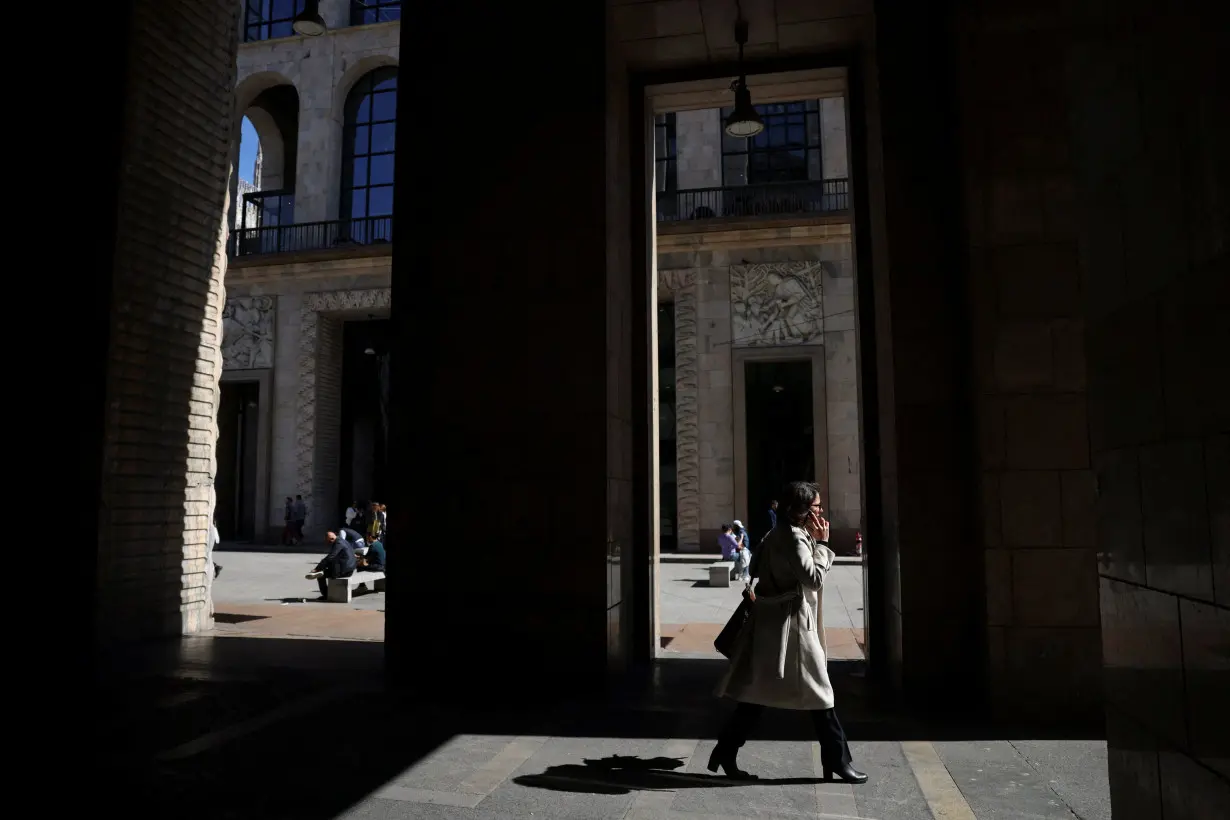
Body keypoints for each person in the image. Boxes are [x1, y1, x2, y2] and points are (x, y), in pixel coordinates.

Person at [711, 481, 867, 784]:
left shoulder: (775, 534)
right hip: (793, 627)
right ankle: (838, 761)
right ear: (804, 512)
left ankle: (725, 750)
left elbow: (755, 568)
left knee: (756, 695)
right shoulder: (795, 539)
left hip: (772, 624)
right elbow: (814, 580)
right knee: (821, 697)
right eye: (817, 507)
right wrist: (822, 545)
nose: (822, 512)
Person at [306, 531, 357, 600]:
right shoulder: (343, 541)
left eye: (328, 541)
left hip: (345, 571)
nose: (328, 543)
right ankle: (322, 571)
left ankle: (326, 595)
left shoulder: (338, 543)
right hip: (350, 568)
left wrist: (317, 568)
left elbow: (330, 557)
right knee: (329, 564)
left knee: (320, 576)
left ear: (332, 539)